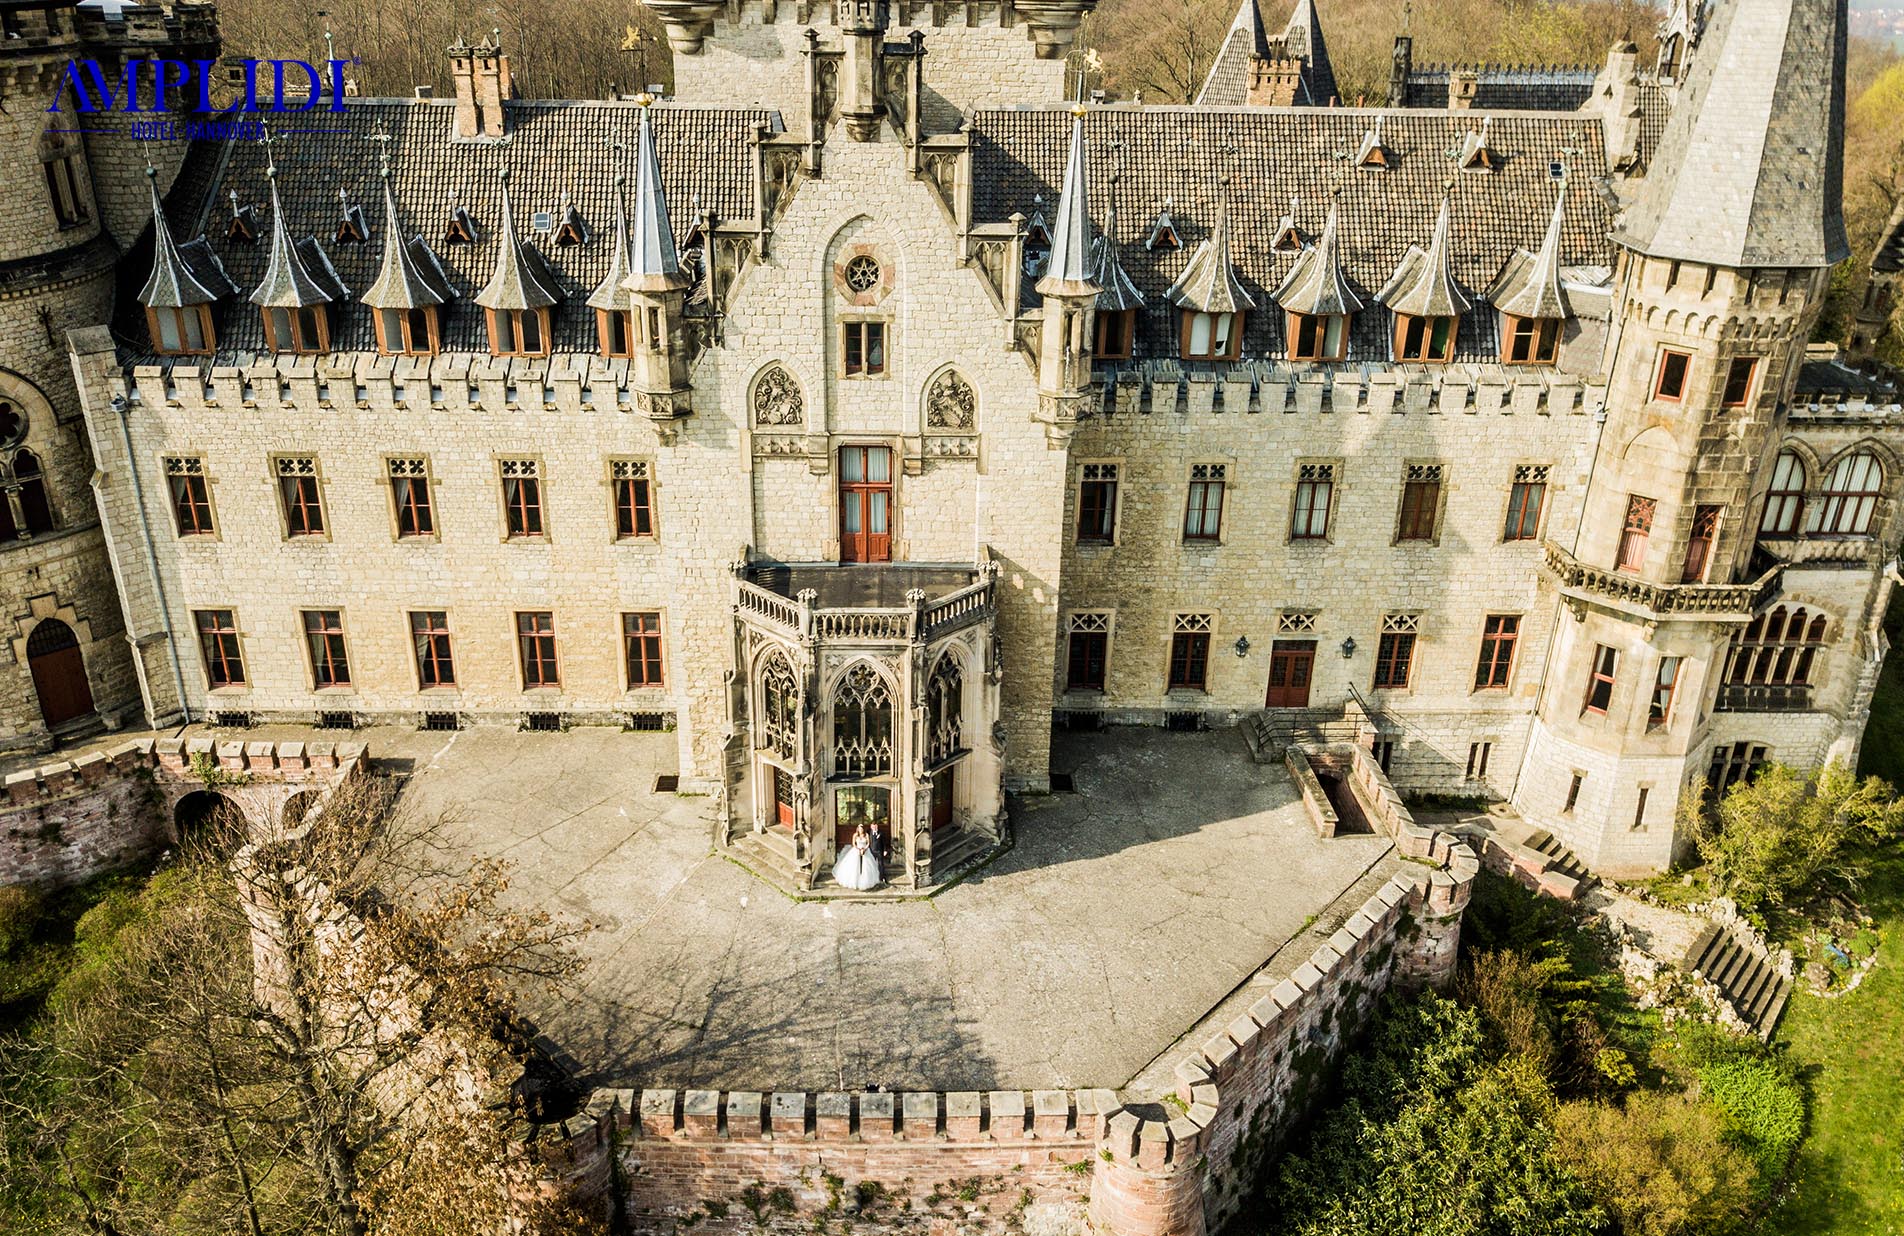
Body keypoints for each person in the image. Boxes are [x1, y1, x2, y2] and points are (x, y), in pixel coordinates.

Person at [832, 822, 881, 890]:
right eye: (859, 829)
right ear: (858, 829)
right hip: (856, 850)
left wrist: (864, 849)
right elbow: (854, 844)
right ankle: (855, 881)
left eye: (862, 829)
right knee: (854, 866)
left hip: (865, 850)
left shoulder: (866, 835)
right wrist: (858, 849)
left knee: (866, 866)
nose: (861, 830)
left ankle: (865, 881)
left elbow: (868, 843)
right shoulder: (855, 835)